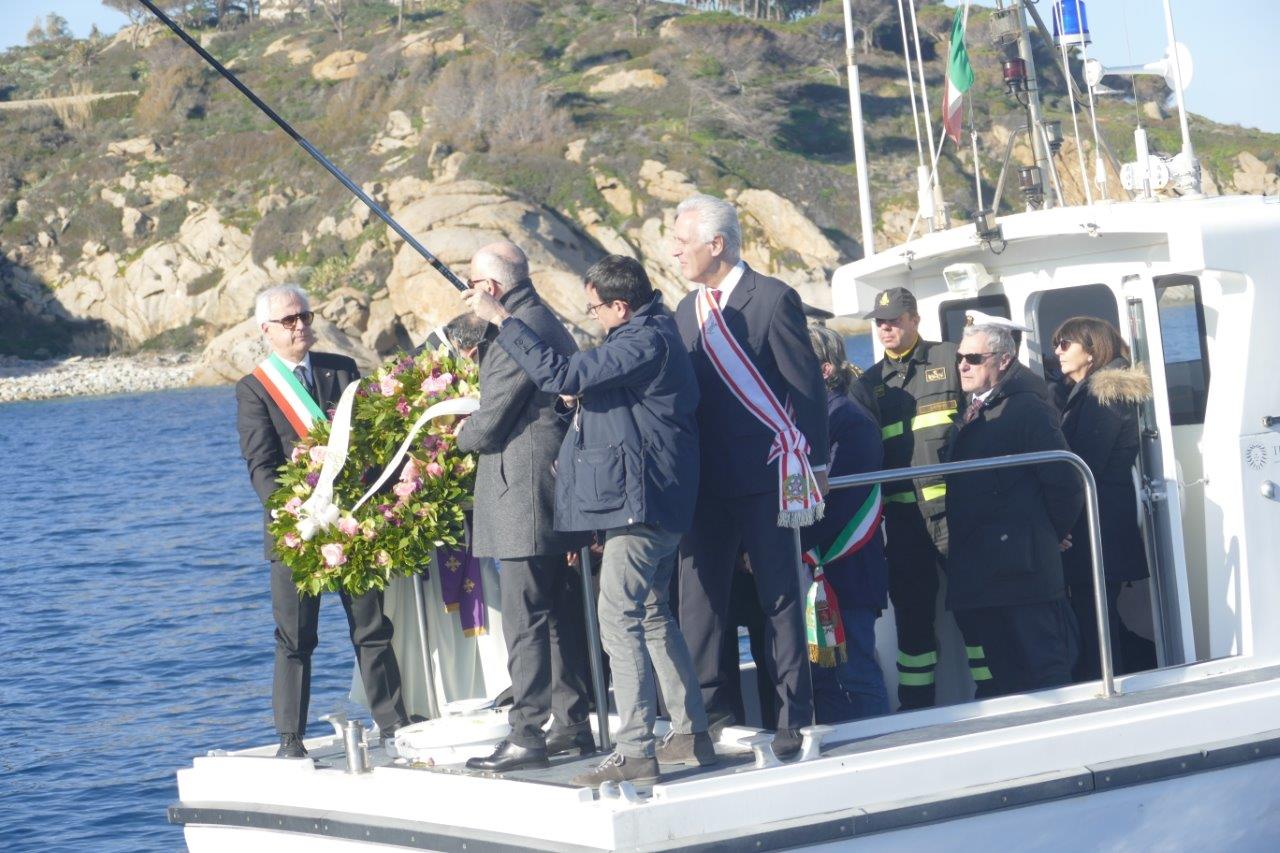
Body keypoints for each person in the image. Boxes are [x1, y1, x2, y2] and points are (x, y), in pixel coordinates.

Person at [463, 254, 711, 788]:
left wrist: (502, 321)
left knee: (616, 617)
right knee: (648, 613)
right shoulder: (650, 335)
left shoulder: (642, 341)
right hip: (655, 502)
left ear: (620, 306)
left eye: (597, 308)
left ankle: (636, 750)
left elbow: (559, 373)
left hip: (642, 508)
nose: (594, 317)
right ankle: (690, 732)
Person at [671, 193, 829, 760]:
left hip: (767, 475)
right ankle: (708, 714)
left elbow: (805, 389)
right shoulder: (685, 311)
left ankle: (793, 713)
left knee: (780, 597)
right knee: (700, 600)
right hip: (706, 485)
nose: (675, 252)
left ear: (716, 245)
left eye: (682, 242)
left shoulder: (774, 298)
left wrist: (815, 469)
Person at [235, 284, 409, 758]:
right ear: (266, 330)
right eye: (289, 320)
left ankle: (393, 724)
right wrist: (300, 515)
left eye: (305, 316)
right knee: (295, 638)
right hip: (298, 531)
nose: (301, 326)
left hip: (351, 521)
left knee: (372, 629)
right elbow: (261, 467)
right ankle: (290, 740)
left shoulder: (342, 370)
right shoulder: (254, 389)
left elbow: (370, 444)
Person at [456, 242, 594, 773]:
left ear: (491, 288)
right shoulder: (532, 317)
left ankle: (527, 733)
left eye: (473, 283)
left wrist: (449, 440)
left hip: (524, 491)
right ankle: (570, 723)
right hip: (538, 486)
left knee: (526, 617)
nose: (468, 292)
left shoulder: (524, 327)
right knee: (554, 613)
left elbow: (491, 417)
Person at [941, 323, 1084, 698]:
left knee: (1044, 668)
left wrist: (1048, 533)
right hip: (987, 569)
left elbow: (1064, 481)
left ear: (1004, 360)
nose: (963, 366)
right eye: (960, 359)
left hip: (1023, 568)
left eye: (973, 358)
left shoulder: (1027, 408)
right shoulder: (977, 408)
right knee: (1005, 672)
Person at [858, 287, 962, 709]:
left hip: (956, 517)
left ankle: (997, 695)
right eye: (880, 321)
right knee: (913, 623)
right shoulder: (868, 384)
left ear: (915, 320)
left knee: (975, 612)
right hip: (903, 524)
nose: (886, 327)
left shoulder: (951, 360)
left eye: (895, 319)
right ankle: (916, 708)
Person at [1051, 316, 1154, 681]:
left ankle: (1111, 686)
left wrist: (1058, 525)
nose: (1057, 351)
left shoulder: (1103, 396)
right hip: (1096, 521)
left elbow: (1082, 467)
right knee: (1096, 613)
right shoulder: (1085, 394)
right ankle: (1131, 670)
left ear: (1091, 351)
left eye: (1066, 344)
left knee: (1097, 616)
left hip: (1098, 525)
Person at [803, 325, 891, 721]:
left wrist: (793, 542)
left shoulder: (847, 419)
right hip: (815, 572)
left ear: (823, 370)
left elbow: (839, 505)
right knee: (823, 678)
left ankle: (877, 748)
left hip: (846, 568)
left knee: (855, 671)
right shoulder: (810, 420)